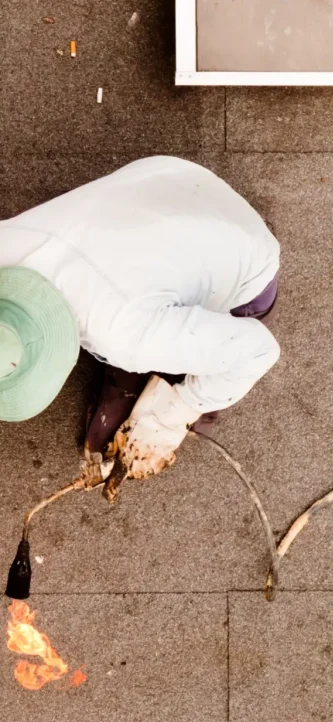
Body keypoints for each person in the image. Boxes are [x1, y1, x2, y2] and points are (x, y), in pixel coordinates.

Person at [0, 156, 280, 487]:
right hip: (170, 180)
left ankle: (177, 376)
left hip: (247, 257)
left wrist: (176, 413)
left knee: (181, 377)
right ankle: (157, 349)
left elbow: (258, 350)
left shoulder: (122, 334)